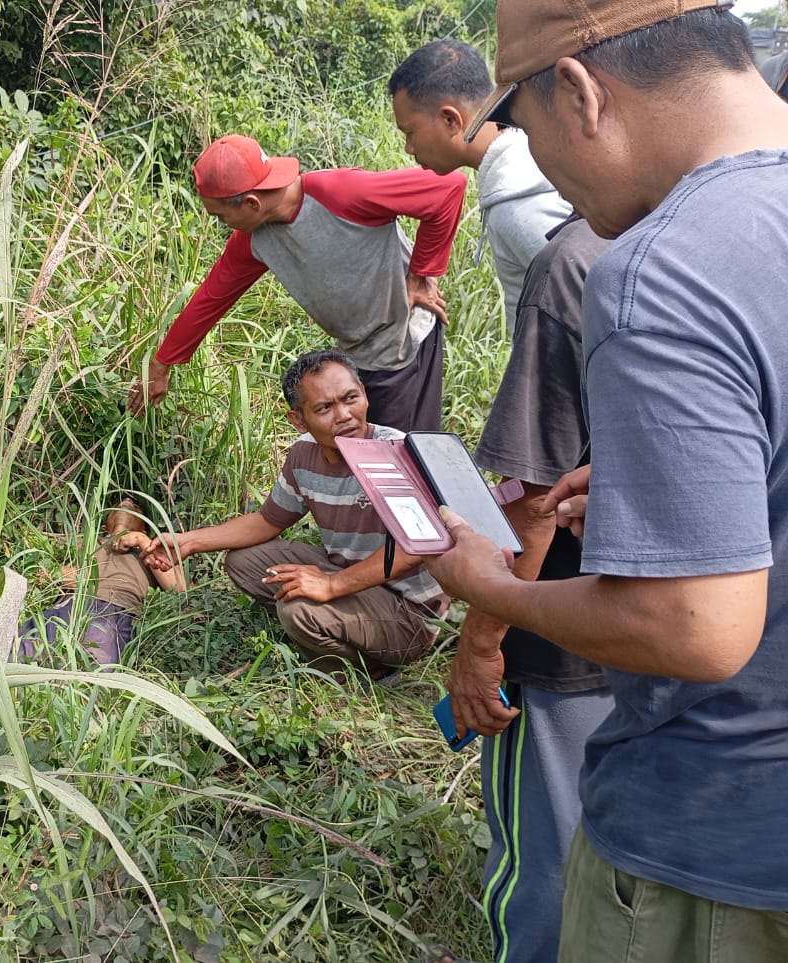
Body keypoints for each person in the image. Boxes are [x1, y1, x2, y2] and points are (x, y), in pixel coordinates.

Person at [424, 3, 788, 961]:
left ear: (581, 94)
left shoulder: (657, 267)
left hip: (714, 850)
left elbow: (695, 626)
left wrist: (491, 588)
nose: (549, 172)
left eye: (534, 134)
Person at [442, 215, 615, 963]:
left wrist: (483, 641)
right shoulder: (729, 234)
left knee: (546, 852)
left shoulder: (572, 262)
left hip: (561, 640)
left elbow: (534, 498)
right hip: (688, 635)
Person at [127, 135, 467, 432]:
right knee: (363, 458)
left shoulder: (341, 192)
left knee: (403, 460)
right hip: (358, 351)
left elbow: (446, 189)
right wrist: (161, 364)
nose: (223, 223)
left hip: (404, 339)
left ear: (251, 203)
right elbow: (211, 299)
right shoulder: (254, 239)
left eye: (220, 215)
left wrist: (422, 273)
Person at [141, 349, 445, 681]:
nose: (343, 415)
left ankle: (368, 669)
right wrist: (188, 542)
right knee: (244, 562)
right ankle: (334, 625)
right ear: (298, 419)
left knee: (297, 610)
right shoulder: (304, 454)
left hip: (408, 611)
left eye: (350, 398)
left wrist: (331, 584)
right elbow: (268, 521)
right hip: (354, 580)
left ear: (365, 395)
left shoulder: (394, 453)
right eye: (324, 408)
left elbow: (418, 546)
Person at [389, 39, 571, 333]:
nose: (409, 148)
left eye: (410, 132)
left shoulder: (517, 208)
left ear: (450, 119)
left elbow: (593, 300)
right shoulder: (531, 156)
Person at [17, 498, 186, 665]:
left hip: (113, 614)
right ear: (105, 525)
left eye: (134, 507)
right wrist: (75, 577)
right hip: (69, 607)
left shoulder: (152, 549)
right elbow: (46, 573)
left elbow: (181, 588)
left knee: (86, 679)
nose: (125, 503)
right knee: (12, 660)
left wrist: (142, 542)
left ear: (144, 529)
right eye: (118, 506)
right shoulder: (88, 542)